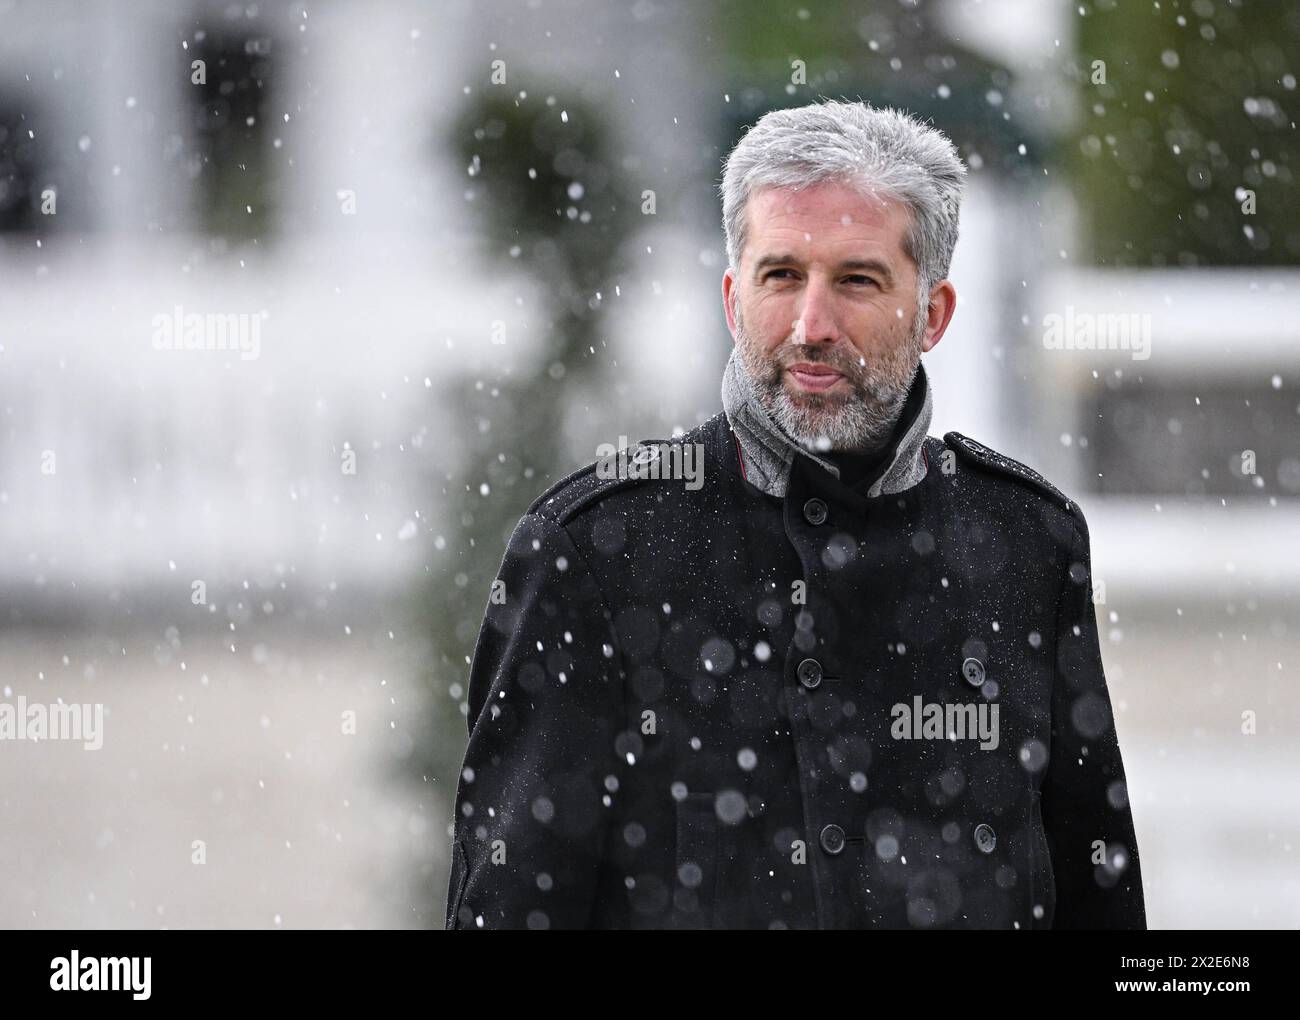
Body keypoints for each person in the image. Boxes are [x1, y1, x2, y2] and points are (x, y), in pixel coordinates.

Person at [444, 99, 1146, 929]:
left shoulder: (1029, 544)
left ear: (934, 314)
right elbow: (511, 905)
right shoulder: (595, 551)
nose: (812, 327)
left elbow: (1098, 893)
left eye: (856, 280)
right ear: (733, 297)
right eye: (782, 276)